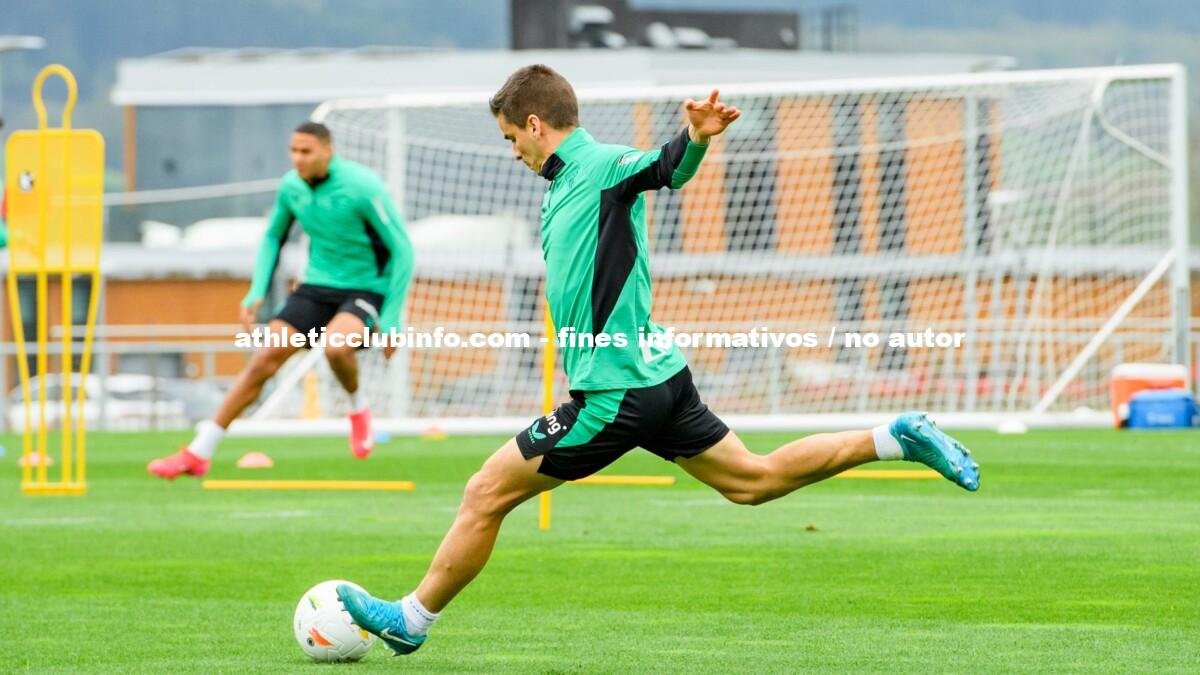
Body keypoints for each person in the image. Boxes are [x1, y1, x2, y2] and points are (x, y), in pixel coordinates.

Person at [335, 65, 980, 655]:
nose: (514, 153)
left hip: (614, 394)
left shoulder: (599, 165)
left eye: (511, 139)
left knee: (483, 494)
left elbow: (660, 168)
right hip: (659, 378)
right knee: (751, 481)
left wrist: (694, 140)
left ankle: (411, 621)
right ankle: (891, 437)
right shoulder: (563, 183)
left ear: (535, 125)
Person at [147, 122, 413, 479]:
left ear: (327, 151)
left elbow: (402, 250)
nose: (297, 159)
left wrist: (392, 318)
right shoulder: (291, 187)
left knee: (336, 347)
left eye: (306, 151)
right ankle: (199, 452)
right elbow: (273, 237)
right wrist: (256, 291)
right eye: (293, 151)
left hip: (366, 288)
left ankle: (357, 409)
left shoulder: (362, 186)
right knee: (264, 360)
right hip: (316, 285)